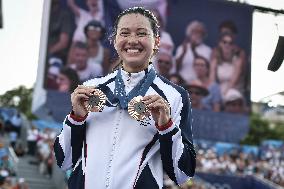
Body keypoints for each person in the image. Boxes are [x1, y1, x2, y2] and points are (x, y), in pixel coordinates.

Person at [54, 7, 196, 189]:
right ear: (114, 41)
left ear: (157, 42)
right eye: (125, 33)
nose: (132, 40)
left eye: (142, 33)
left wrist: (166, 127)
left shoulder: (174, 96)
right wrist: (76, 119)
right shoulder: (90, 88)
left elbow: (182, 174)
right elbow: (63, 161)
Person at [209, 32, 243, 98]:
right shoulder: (215, 61)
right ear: (220, 44)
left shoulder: (237, 61)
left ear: (233, 46)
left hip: (233, 90)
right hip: (219, 90)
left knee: (230, 95)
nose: (227, 45)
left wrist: (224, 94)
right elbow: (211, 80)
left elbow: (233, 81)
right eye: (224, 42)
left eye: (230, 43)